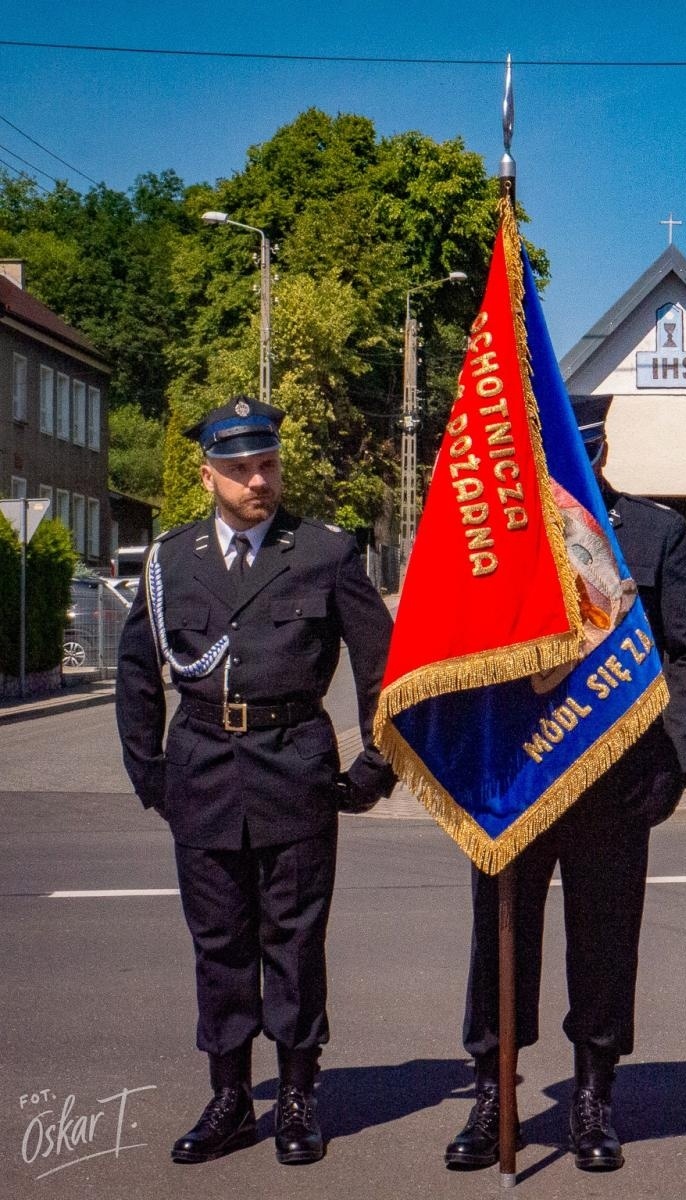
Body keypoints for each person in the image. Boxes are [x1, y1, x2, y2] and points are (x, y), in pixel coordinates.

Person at [115, 397, 395, 1166]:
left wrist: (376, 765)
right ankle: (232, 1096)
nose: (257, 481)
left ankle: (299, 1092)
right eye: (238, 470)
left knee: (296, 943)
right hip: (201, 773)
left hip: (294, 770)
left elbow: (384, 668)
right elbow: (138, 671)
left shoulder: (324, 553)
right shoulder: (173, 562)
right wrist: (151, 774)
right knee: (219, 945)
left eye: (266, 464)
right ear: (209, 475)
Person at [447, 395, 686, 1173]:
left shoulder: (655, 532)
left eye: (584, 460)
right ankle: (493, 1094)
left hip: (616, 777)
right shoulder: (494, 540)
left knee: (603, 942)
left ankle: (594, 1093)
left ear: (597, 454)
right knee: (499, 944)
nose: (574, 475)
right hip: (515, 773)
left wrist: (681, 760)